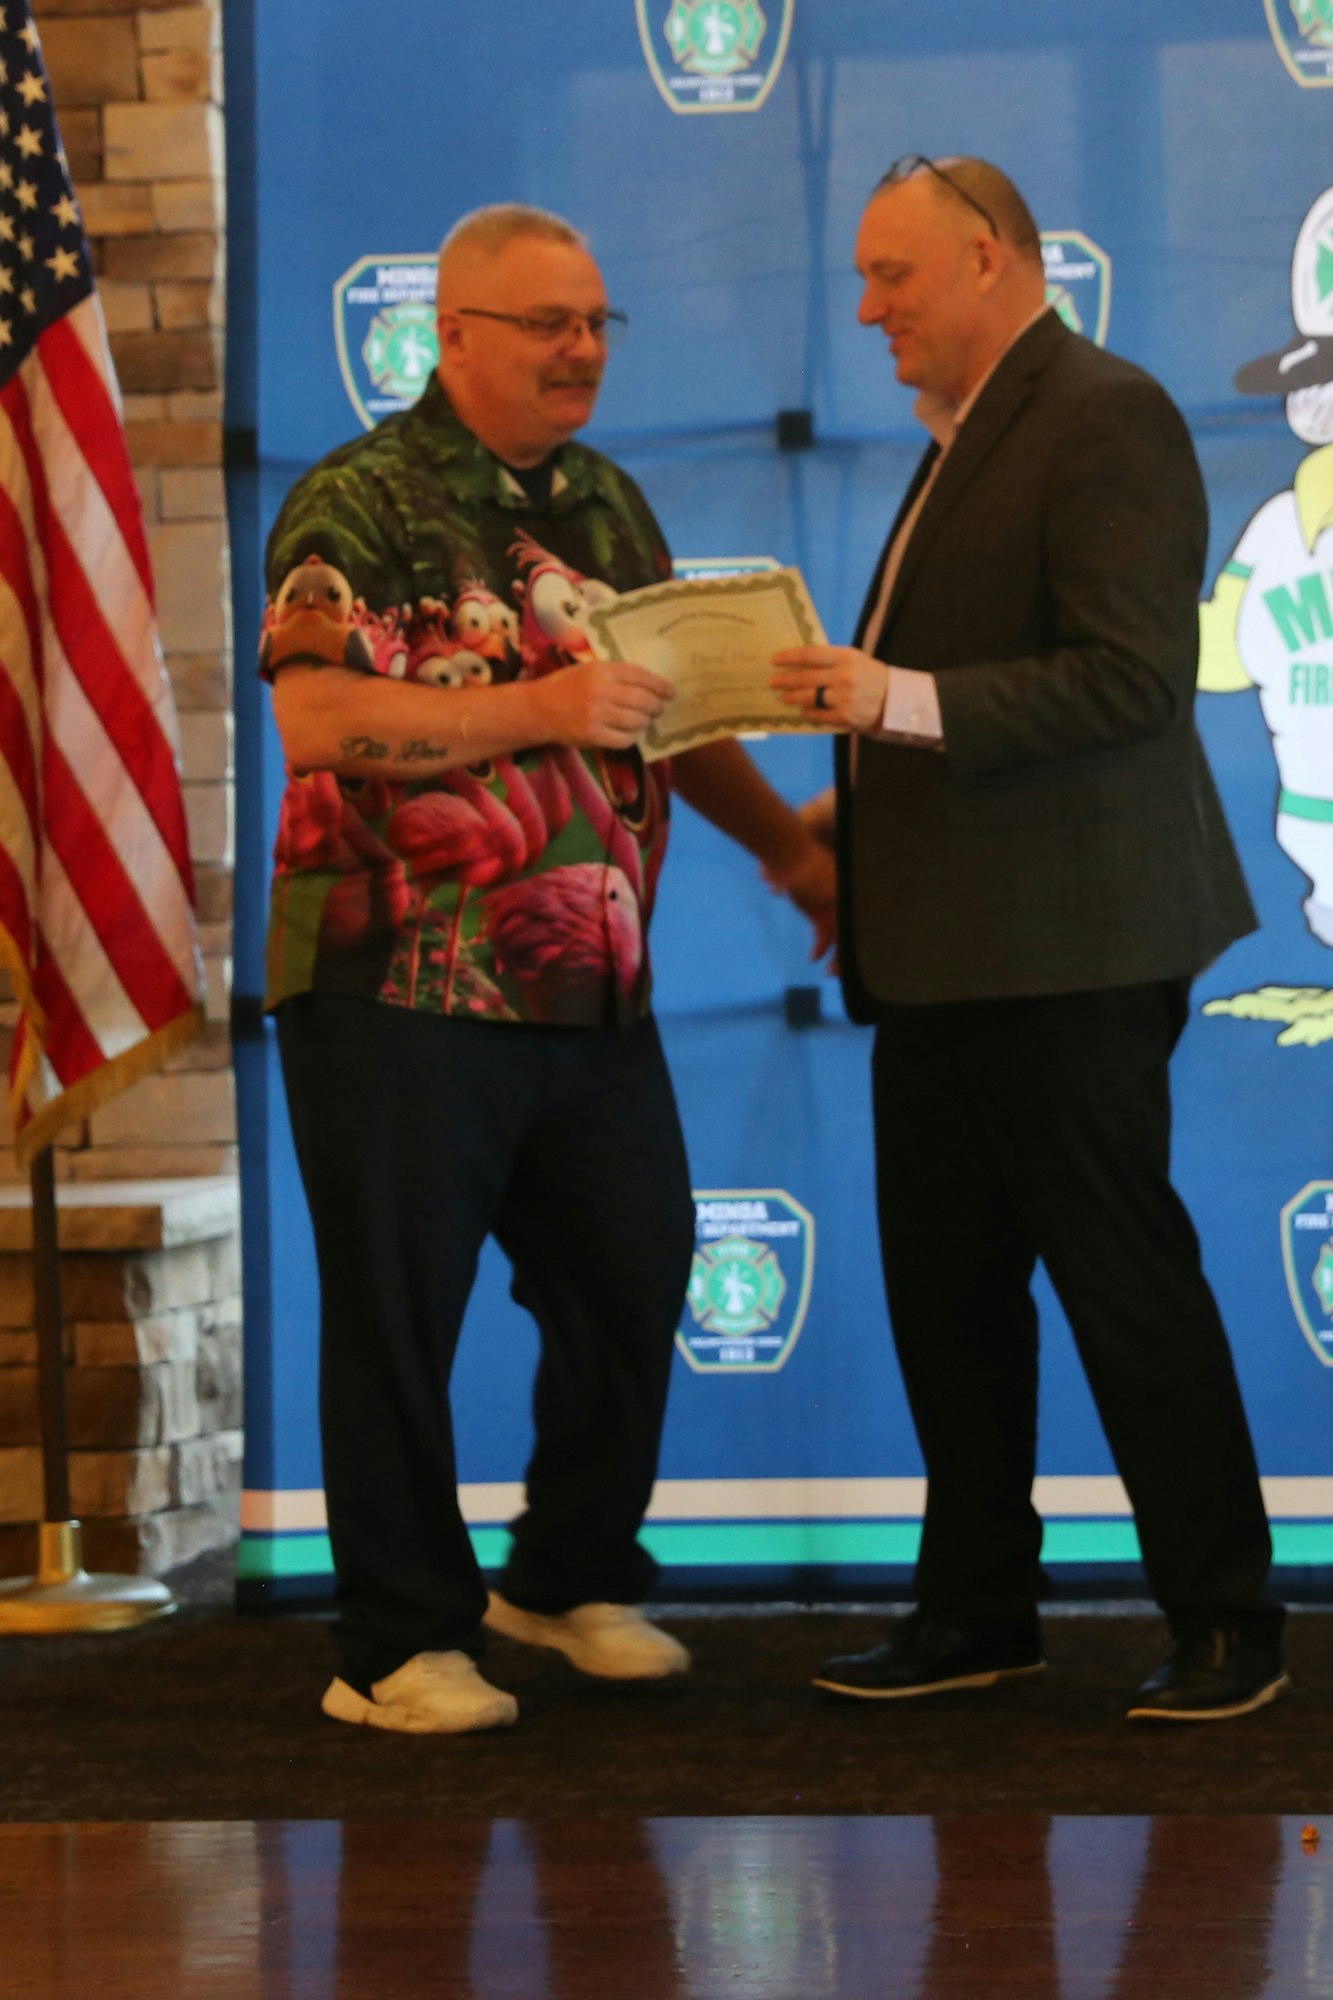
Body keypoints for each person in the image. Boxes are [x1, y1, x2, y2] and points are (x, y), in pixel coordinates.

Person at [263, 203, 835, 1734]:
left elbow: (664, 718)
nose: (579, 349)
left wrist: (788, 850)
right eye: (544, 324)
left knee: (633, 1271)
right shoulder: (356, 498)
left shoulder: (605, 506)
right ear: (452, 334)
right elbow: (316, 724)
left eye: (595, 322)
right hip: (395, 982)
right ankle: (389, 1645)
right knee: (399, 1316)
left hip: (588, 987)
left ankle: (565, 1573)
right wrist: (536, 709)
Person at [771, 156, 1286, 1722]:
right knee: (947, 1291)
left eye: (892, 276)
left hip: (1071, 947)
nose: (865, 308)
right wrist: (859, 849)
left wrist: (882, 699)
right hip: (940, 950)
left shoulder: (1103, 412)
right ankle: (977, 1608)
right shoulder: (966, 437)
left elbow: (1130, 681)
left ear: (988, 258)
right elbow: (951, 692)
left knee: (1122, 1282)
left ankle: (1223, 1620)